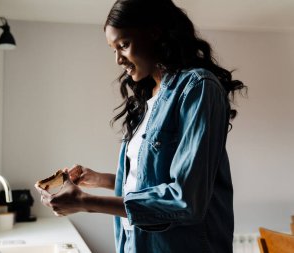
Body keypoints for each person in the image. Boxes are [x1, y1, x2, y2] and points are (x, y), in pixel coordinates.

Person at [35, 0, 246, 252]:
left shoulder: (198, 87)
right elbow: (151, 181)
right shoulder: (147, 101)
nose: (117, 59)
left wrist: (85, 202)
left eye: (123, 45)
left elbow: (186, 199)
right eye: (112, 49)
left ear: (154, 33)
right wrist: (100, 180)